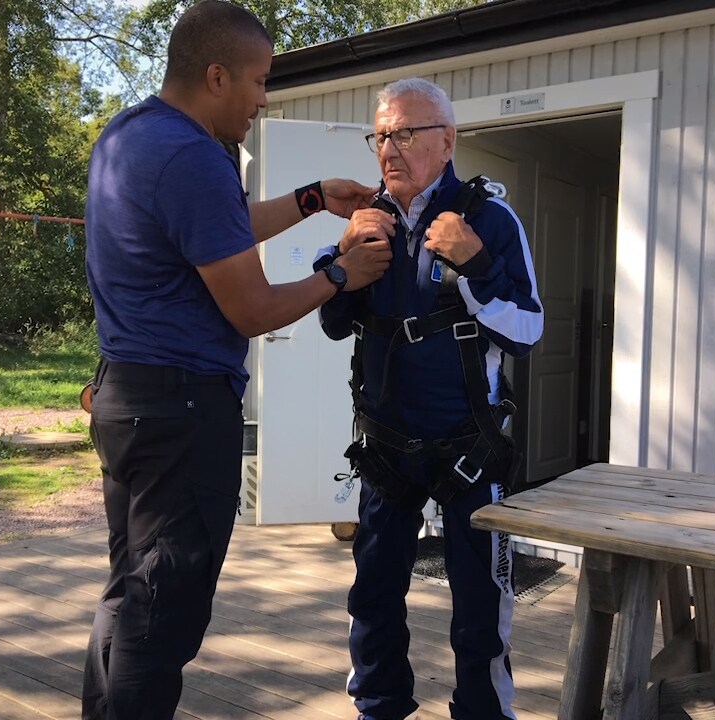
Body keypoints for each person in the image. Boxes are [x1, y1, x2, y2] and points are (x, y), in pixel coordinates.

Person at [80, 2, 393, 719]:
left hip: (128, 401)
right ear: (216, 75)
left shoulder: (131, 136)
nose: (263, 98)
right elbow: (250, 311)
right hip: (182, 413)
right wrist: (342, 275)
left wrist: (312, 200)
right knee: (161, 617)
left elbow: (214, 228)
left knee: (131, 595)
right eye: (257, 81)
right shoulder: (191, 155)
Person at [316, 78, 544, 720]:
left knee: (481, 605)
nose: (390, 147)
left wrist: (476, 266)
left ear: (447, 142)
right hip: (385, 447)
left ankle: (481, 712)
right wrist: (340, 263)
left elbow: (528, 332)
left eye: (406, 132)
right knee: (373, 598)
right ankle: (379, 707)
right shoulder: (368, 223)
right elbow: (335, 326)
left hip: (470, 449)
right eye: (381, 134)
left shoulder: (492, 221)